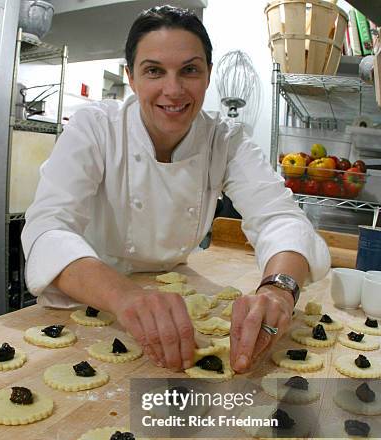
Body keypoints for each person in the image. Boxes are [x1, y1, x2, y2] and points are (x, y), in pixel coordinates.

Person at [22, 5, 330, 374]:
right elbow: (47, 228)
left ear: (208, 75)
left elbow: (279, 218)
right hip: (92, 295)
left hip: (177, 294)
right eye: (154, 71)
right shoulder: (96, 127)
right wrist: (125, 297)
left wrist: (278, 290)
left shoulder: (225, 140)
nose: (173, 89)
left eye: (189, 70)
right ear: (131, 78)